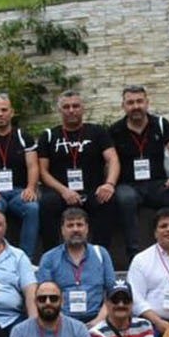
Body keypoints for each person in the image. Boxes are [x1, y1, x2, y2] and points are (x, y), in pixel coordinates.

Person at [108, 85, 169, 262]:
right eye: (130, 102)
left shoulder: (160, 124)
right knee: (125, 199)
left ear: (147, 103)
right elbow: (109, 160)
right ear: (123, 106)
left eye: (139, 101)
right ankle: (134, 255)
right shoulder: (115, 130)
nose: (136, 106)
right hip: (128, 185)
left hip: (157, 183)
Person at [36, 89, 119, 254]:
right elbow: (42, 171)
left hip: (92, 189)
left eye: (75, 106)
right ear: (60, 111)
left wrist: (109, 184)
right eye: (66, 107)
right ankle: (52, 256)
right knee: (47, 203)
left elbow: (113, 159)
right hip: (60, 191)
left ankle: (99, 255)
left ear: (83, 108)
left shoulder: (97, 132)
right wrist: (64, 191)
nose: (71, 110)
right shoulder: (49, 136)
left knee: (107, 201)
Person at [0, 92, 41, 257]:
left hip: (19, 191)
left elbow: (33, 166)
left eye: (4, 110)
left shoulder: (24, 137)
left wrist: (31, 188)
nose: (0, 114)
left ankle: (26, 258)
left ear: (12, 112)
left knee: (32, 208)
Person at [35, 208, 117, 326]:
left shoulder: (101, 254)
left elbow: (112, 293)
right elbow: (44, 296)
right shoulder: (49, 258)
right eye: (70, 225)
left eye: (79, 225)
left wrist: (97, 322)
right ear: (62, 230)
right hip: (60, 322)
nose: (75, 229)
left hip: (99, 320)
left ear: (87, 228)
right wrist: (68, 325)